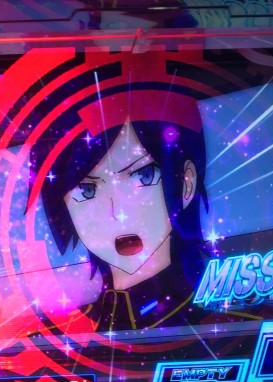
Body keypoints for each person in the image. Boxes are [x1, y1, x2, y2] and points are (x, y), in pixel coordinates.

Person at [28, 89, 209, 333]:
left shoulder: (228, 320)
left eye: (144, 176)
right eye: (87, 190)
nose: (116, 213)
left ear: (187, 183)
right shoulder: (65, 334)